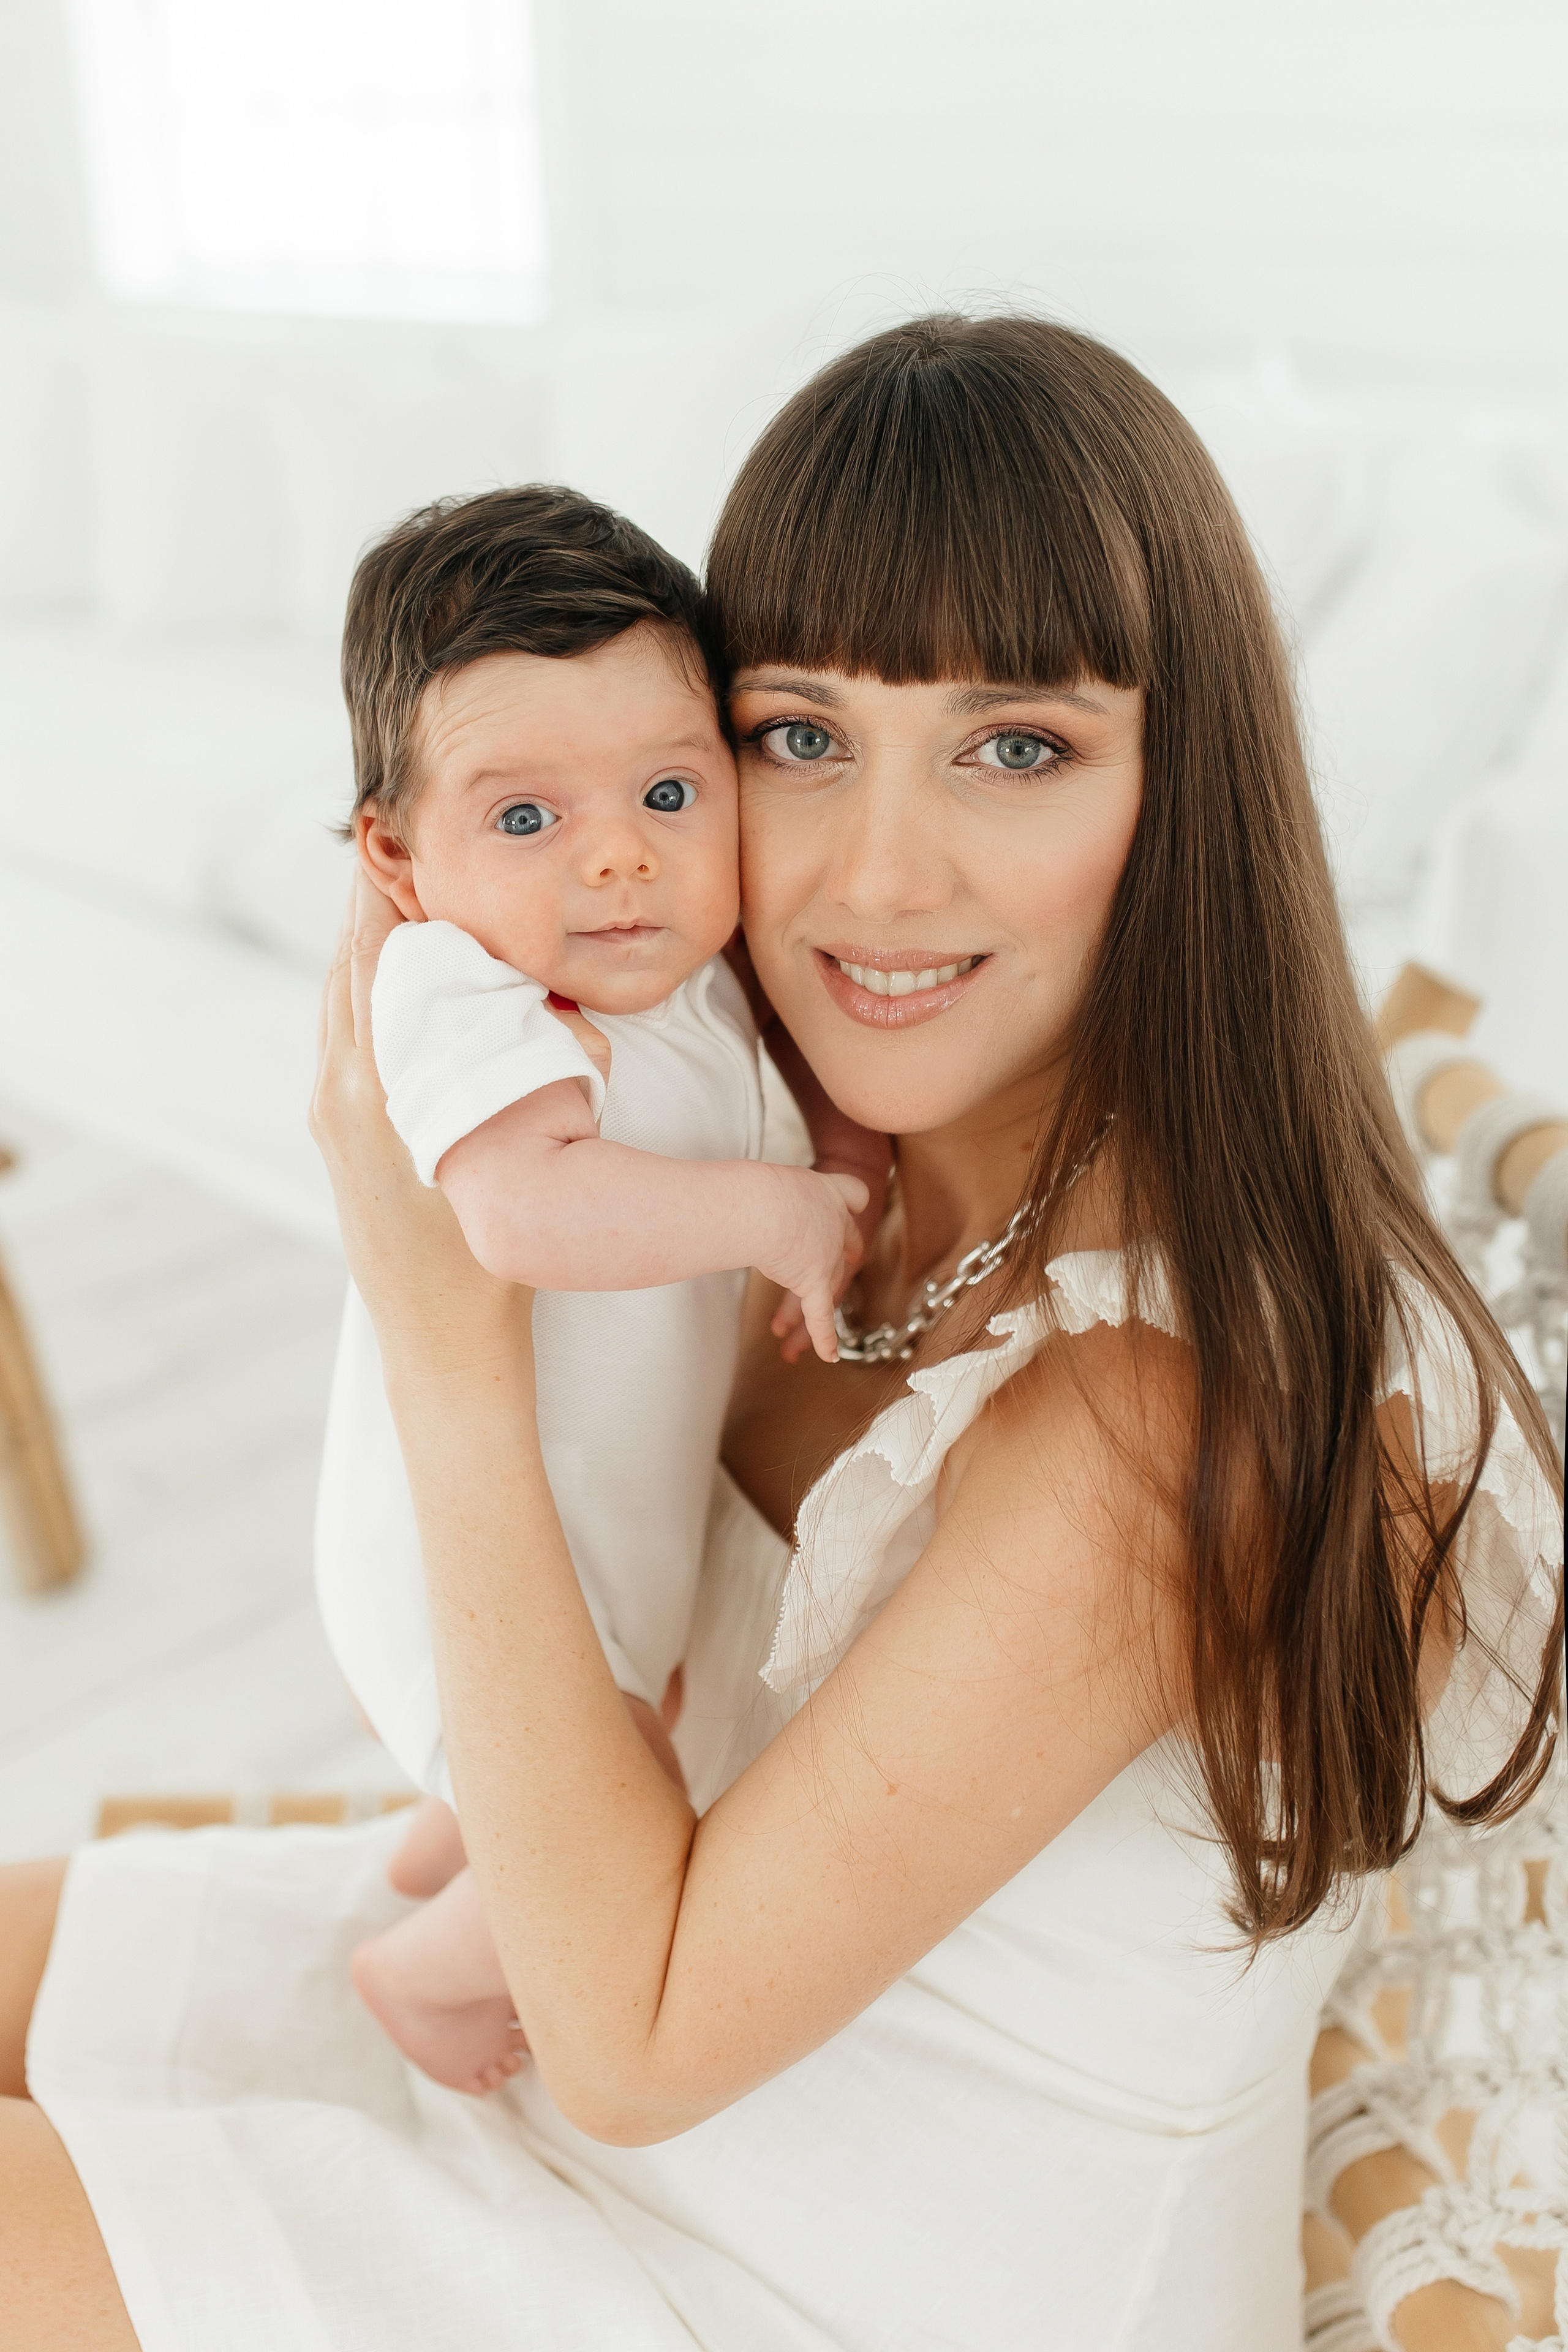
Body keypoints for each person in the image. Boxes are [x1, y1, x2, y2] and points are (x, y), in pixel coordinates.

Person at [2, 314, 1561, 2352]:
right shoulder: (805, 1137)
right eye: (800, 737)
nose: (879, 876)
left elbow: (640, 2039)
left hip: (797, 2252)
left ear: (1187, 790)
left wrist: (442, 1330)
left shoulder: (1144, 1421)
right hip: (594, 2008)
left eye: (1018, 748)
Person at [315, 484, 877, 2097]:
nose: (621, 852)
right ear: (396, 859)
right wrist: (780, 1214)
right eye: (523, 816)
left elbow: (795, 1077)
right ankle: (428, 1982)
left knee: (646, 1701)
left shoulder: (683, 969)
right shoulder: (451, 982)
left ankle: (446, 1845)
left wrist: (843, 1160)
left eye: (667, 789)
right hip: (457, 1552)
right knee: (609, 1779)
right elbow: (525, 1214)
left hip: (596, 1534)